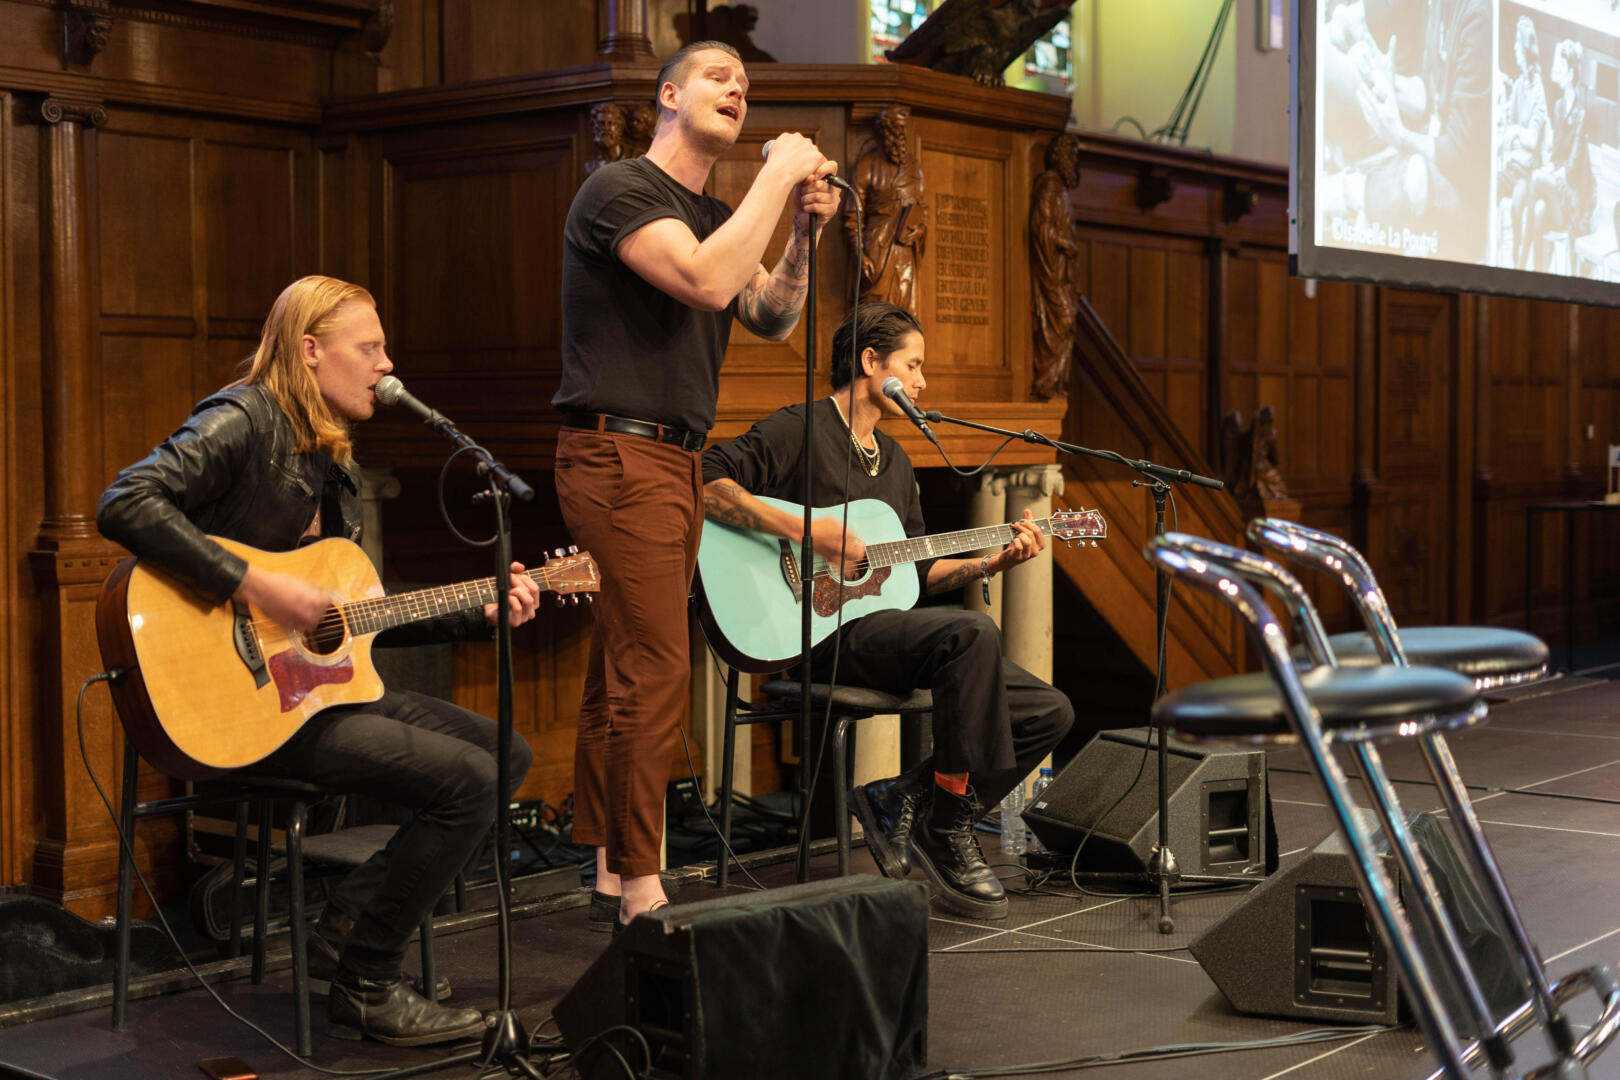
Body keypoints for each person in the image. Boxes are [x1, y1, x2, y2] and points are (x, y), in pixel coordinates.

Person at [98, 275, 542, 1047]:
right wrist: (256, 583)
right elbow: (125, 502)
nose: (386, 363)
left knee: (505, 753)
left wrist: (480, 614)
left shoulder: (328, 457)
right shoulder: (244, 418)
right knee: (464, 780)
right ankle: (367, 982)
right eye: (369, 347)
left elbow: (350, 622)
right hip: (238, 705)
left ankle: (346, 927)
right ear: (311, 350)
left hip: (314, 695)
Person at [553, 40, 842, 932]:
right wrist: (778, 174)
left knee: (624, 669)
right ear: (670, 94)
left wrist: (801, 230)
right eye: (720, 79)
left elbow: (771, 313)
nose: (739, 94)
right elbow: (705, 280)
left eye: (746, 87)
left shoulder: (719, 209)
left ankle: (608, 863)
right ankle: (644, 882)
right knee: (657, 666)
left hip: (676, 459)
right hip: (616, 456)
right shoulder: (620, 190)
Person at [701, 302, 1075, 919]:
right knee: (971, 633)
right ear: (871, 361)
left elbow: (919, 574)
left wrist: (993, 563)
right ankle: (949, 829)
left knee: (1047, 711)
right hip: (808, 630)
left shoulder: (896, 462)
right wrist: (811, 531)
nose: (924, 382)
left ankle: (903, 797)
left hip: (877, 630)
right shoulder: (800, 430)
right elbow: (708, 481)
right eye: (914, 364)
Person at [1525, 40, 1591, 273]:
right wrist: (1550, 167)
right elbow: (1555, 156)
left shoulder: (1582, 112)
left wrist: (1553, 172)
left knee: (1535, 179)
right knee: (1538, 211)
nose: (1558, 72)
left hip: (1569, 194)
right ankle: (1536, 277)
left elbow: (1571, 164)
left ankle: (1520, 264)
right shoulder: (1558, 106)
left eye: (1562, 68)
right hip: (1556, 188)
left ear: (1572, 73)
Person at [1502, 16, 1549, 268]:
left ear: (1525, 50)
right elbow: (1508, 131)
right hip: (1513, 164)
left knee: (1517, 207)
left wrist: (1516, 134)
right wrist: (1516, 134)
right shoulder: (1518, 84)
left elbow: (1531, 140)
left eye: (1516, 45)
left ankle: (1517, 265)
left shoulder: (1539, 91)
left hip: (1529, 171)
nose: (1513, 50)